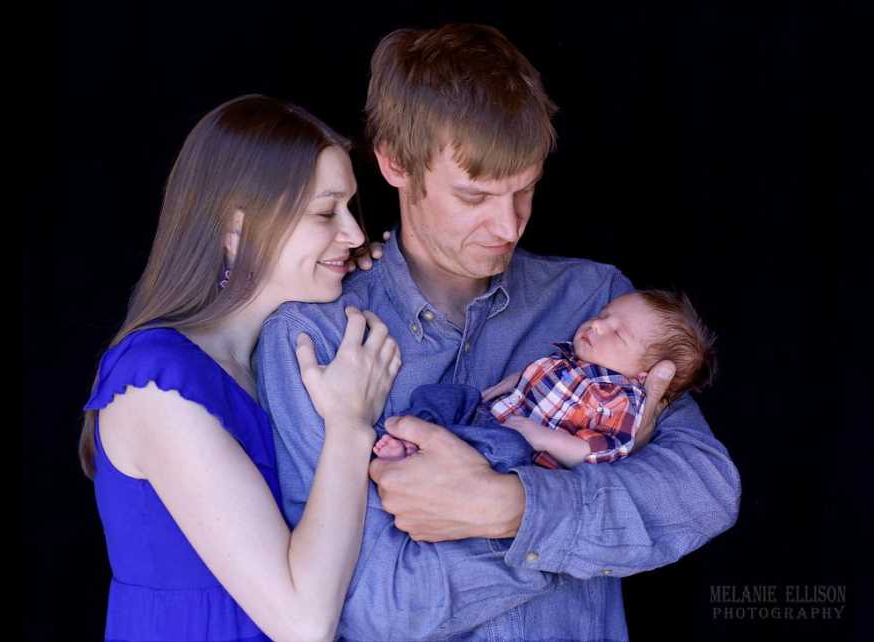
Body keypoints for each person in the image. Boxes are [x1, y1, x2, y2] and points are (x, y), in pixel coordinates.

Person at [256, 24, 741, 641]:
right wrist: (580, 532)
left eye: (526, 189)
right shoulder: (316, 339)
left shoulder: (596, 302)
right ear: (394, 163)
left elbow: (705, 491)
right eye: (475, 195)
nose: (508, 225)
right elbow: (379, 611)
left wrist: (510, 507)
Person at [79, 95, 401, 642]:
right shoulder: (157, 381)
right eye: (326, 212)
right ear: (236, 228)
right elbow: (303, 624)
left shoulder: (261, 360)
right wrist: (350, 425)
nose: (352, 233)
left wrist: (378, 277)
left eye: (351, 208)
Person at [374, 289, 718, 468]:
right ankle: (416, 437)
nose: (597, 325)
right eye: (603, 315)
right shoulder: (568, 359)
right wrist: (495, 390)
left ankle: (423, 456)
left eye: (618, 333)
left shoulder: (619, 398)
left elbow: (599, 450)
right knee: (444, 395)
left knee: (497, 450)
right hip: (489, 414)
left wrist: (542, 438)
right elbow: (525, 378)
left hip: (519, 447)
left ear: (644, 374)